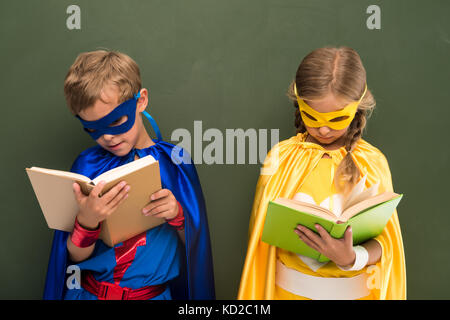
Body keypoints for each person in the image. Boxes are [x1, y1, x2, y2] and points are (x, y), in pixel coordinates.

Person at [43, 50, 215, 300]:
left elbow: (196, 248)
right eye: (93, 129)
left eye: (116, 121)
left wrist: (177, 215)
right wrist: (88, 221)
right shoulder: (87, 164)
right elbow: (71, 256)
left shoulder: (175, 162)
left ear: (141, 101)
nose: (108, 137)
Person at [238, 46, 406, 300]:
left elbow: (387, 243)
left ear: (357, 108)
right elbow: (260, 241)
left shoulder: (371, 162)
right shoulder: (282, 157)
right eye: (312, 117)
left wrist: (351, 257)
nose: (324, 130)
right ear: (299, 103)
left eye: (337, 120)